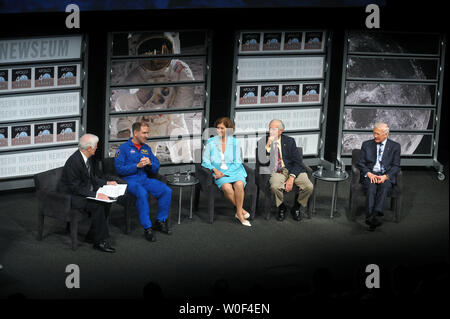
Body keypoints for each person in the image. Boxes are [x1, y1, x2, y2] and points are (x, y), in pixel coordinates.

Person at [112, 32, 194, 163]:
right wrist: (139, 98)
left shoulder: (178, 69)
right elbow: (121, 105)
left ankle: (183, 170)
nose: (156, 58)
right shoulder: (137, 74)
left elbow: (185, 96)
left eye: (162, 50)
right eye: (149, 52)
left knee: (182, 153)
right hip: (146, 122)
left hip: (173, 120)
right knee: (143, 160)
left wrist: (172, 112)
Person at [58, 134, 117, 253]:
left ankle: (93, 234)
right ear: (89, 148)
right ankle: (100, 241)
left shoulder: (86, 157)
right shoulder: (74, 162)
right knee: (98, 205)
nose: (96, 148)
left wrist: (106, 182)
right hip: (70, 197)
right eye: (95, 146)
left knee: (107, 201)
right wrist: (95, 195)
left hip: (80, 191)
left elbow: (92, 178)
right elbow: (75, 188)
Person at [114, 121, 172, 242]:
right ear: (135, 133)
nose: (147, 135)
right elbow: (119, 169)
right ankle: (147, 228)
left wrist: (150, 164)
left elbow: (156, 167)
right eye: (144, 133)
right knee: (142, 193)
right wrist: (137, 166)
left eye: (147, 133)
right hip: (130, 181)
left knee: (166, 191)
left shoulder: (146, 148)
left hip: (144, 179)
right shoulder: (123, 149)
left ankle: (160, 221)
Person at [257, 119, 313, 221]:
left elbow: (298, 161)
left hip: (292, 169)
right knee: (274, 187)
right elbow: (262, 163)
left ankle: (296, 207)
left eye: (274, 129)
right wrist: (268, 146)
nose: (271, 131)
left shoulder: (289, 141)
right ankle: (281, 207)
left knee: (308, 187)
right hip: (277, 171)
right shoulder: (262, 142)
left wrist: (291, 178)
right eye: (270, 128)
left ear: (281, 131)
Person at [201, 117, 250, 227]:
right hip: (218, 171)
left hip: (235, 170)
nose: (219, 130)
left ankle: (238, 213)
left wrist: (225, 173)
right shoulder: (211, 142)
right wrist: (214, 169)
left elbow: (238, 162)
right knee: (227, 187)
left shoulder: (235, 143)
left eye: (222, 128)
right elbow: (205, 160)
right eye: (217, 128)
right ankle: (240, 211)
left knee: (239, 184)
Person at [358, 122, 401, 231]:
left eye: (378, 134)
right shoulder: (366, 144)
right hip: (371, 173)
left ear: (386, 134)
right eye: (374, 133)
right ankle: (372, 216)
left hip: (384, 175)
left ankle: (373, 216)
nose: (375, 136)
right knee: (371, 187)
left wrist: (386, 176)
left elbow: (396, 166)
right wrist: (369, 173)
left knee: (384, 186)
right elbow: (361, 163)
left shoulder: (395, 146)